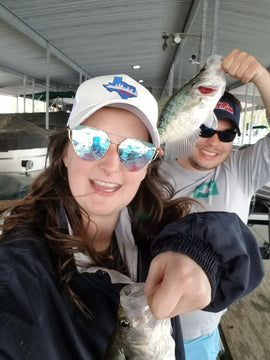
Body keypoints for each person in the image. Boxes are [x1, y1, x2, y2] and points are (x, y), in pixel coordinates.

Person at [0, 73, 264, 360]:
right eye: (91, 141)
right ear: (66, 152)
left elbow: (237, 254)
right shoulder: (15, 272)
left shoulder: (161, 233)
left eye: (134, 151)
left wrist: (203, 257)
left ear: (149, 164)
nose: (110, 166)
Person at [161, 49, 270, 359]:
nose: (213, 142)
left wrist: (261, 76)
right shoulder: (150, 171)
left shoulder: (241, 170)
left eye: (227, 134)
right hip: (149, 325)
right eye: (206, 129)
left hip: (203, 336)